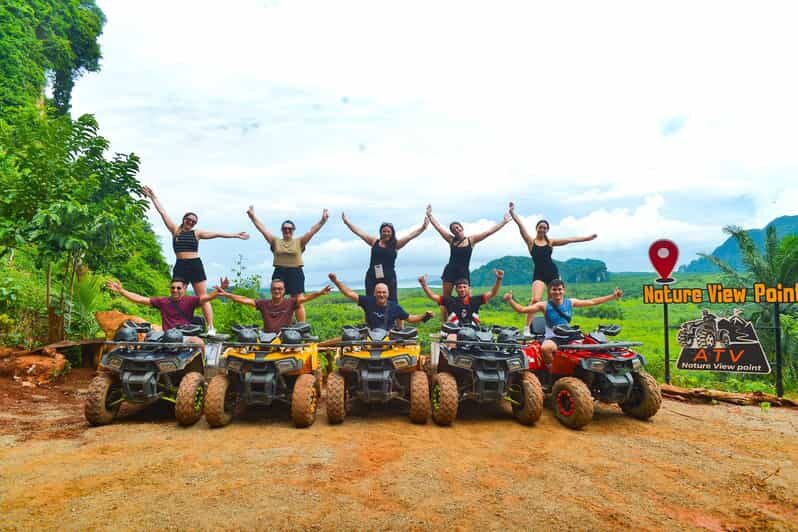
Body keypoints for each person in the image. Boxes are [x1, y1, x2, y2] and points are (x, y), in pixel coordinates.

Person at [143, 186, 249, 335]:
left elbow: (216, 234)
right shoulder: (175, 230)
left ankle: (211, 327)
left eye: (194, 221)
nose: (191, 222)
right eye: (189, 219)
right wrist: (153, 197)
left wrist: (235, 235)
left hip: (195, 265)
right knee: (176, 296)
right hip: (180, 265)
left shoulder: (197, 233)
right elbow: (163, 213)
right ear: (184, 219)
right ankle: (177, 324)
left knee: (202, 297)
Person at [508, 201, 597, 334]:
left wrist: (587, 238)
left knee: (553, 302)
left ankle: (552, 327)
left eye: (545, 228)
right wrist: (512, 212)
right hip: (539, 273)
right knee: (535, 299)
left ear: (547, 230)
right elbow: (521, 226)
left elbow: (569, 240)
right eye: (540, 227)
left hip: (552, 272)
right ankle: (527, 328)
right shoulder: (531, 242)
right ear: (537, 228)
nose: (542, 229)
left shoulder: (550, 242)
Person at [503, 279, 622, 367]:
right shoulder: (544, 305)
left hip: (570, 335)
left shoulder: (570, 302)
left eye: (560, 289)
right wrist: (510, 300)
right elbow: (522, 310)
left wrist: (612, 296)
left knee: (591, 347)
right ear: (550, 291)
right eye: (554, 289)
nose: (557, 292)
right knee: (545, 348)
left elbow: (592, 302)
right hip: (553, 337)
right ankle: (552, 368)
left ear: (564, 290)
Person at [246, 206, 329, 323]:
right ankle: (282, 325)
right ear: (281, 230)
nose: (287, 230)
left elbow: (312, 231)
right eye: (285, 228)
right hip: (279, 272)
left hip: (295, 272)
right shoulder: (275, 241)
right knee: (278, 301)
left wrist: (323, 220)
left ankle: (301, 326)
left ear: (293, 230)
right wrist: (252, 217)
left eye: (290, 229)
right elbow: (263, 229)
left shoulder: (299, 242)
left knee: (297, 301)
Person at [105, 277, 228, 346]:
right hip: (166, 336)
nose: (175, 290)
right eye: (173, 288)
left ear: (184, 289)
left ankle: (203, 370)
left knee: (199, 343)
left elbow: (207, 297)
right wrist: (121, 291)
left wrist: (220, 290)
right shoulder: (162, 301)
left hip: (184, 336)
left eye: (178, 288)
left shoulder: (190, 300)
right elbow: (140, 299)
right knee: (145, 344)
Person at [425, 205, 511, 298]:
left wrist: (504, 222)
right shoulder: (451, 240)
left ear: (461, 228)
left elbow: (488, 232)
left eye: (457, 227)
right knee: (446, 298)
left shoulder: (471, 240)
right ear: (452, 232)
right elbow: (439, 228)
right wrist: (430, 215)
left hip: (463, 272)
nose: (456, 230)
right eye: (453, 230)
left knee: (468, 298)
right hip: (450, 271)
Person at [341, 212, 428, 303]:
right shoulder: (374, 241)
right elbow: (360, 233)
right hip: (372, 276)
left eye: (388, 231)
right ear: (380, 232)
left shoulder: (396, 244)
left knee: (392, 303)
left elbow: (410, 236)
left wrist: (422, 228)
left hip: (389, 277)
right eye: (384, 231)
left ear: (392, 233)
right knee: (370, 302)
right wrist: (347, 222)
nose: (386, 233)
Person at [218, 278, 333, 333]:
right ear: (271, 290)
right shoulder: (263, 303)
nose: (277, 291)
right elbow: (245, 300)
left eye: (280, 289)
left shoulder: (290, 302)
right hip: (266, 340)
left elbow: (306, 298)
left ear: (284, 290)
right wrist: (227, 294)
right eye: (274, 289)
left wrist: (320, 293)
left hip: (286, 340)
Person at [328, 273, 433, 330]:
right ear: (374, 293)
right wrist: (335, 281)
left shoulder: (395, 307)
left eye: (384, 292)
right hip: (369, 336)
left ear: (388, 294)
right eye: (379, 292)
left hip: (388, 338)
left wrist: (425, 315)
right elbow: (349, 293)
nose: (381, 295)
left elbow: (411, 318)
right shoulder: (368, 301)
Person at [418, 269, 504, 326]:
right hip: (454, 331)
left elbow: (492, 293)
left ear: (468, 288)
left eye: (464, 287)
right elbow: (432, 296)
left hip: (472, 331)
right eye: (459, 287)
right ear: (456, 289)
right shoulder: (450, 300)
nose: (462, 289)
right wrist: (424, 284)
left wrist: (499, 279)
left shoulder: (475, 300)